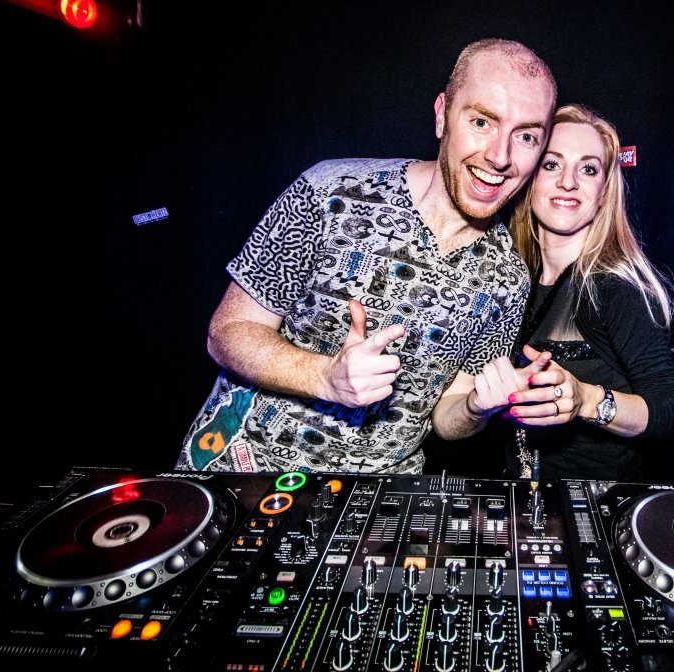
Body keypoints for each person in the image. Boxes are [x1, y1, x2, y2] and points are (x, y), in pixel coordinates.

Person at [175, 38, 557, 475]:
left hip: (380, 493)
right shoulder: (330, 192)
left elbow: (446, 416)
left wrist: (477, 407)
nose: (500, 156)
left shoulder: (508, 278)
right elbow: (228, 331)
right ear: (442, 115)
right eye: (482, 121)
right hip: (244, 467)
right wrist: (325, 377)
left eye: (526, 136)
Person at [460, 104, 674, 481]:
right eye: (551, 164)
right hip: (519, 491)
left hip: (593, 500)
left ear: (603, 193)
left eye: (588, 169)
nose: (568, 182)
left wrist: (586, 399)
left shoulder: (612, 287)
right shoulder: (511, 276)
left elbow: (670, 412)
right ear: (529, 179)